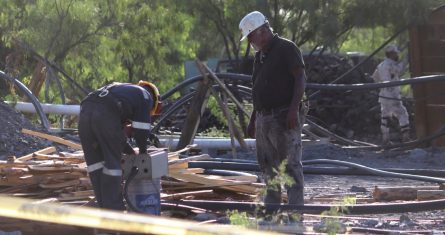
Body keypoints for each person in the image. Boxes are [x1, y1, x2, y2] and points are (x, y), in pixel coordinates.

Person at [239, 11, 307, 208]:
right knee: (268, 167)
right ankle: (271, 213)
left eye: (251, 36)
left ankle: (295, 214)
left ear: (262, 31)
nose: (250, 41)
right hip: (264, 119)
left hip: (283, 115)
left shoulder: (287, 48)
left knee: (290, 167)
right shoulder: (260, 57)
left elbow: (300, 78)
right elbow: (258, 89)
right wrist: (253, 120)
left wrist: (293, 109)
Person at [78, 80, 161, 210]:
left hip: (85, 112)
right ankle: (114, 209)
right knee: (113, 165)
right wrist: (143, 154)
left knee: (95, 166)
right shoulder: (146, 97)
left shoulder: (120, 91)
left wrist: (131, 152)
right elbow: (141, 131)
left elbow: (115, 136)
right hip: (104, 112)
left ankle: (104, 209)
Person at [372, 45, 410, 142]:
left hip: (383, 96)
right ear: (391, 54)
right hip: (392, 95)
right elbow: (400, 69)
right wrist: (407, 58)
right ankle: (406, 136)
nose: (397, 55)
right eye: (396, 53)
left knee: (385, 115)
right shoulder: (391, 65)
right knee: (402, 113)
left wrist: (382, 87)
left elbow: (375, 78)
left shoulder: (380, 65)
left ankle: (385, 138)